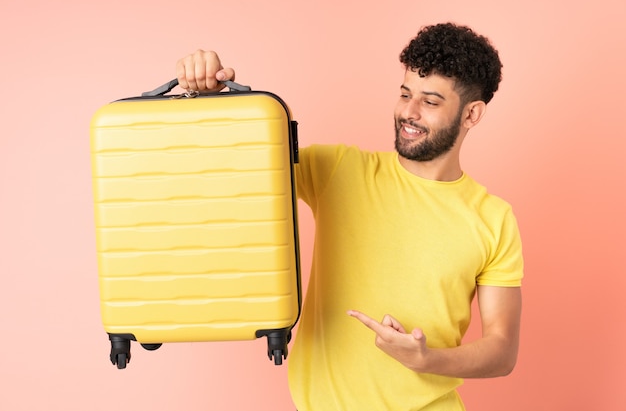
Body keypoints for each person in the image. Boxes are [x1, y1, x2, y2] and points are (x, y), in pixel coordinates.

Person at [176, 22, 524, 410]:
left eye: (430, 101)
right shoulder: (339, 170)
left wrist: (426, 360)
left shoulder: (493, 218)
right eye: (405, 93)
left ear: (471, 114)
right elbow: (231, 165)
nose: (408, 112)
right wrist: (209, 96)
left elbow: (502, 350)